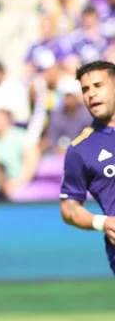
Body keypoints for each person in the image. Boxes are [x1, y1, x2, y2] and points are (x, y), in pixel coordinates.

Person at [60, 60, 115, 275]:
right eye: (85, 89)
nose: (91, 94)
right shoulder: (80, 149)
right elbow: (69, 208)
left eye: (98, 86)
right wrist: (102, 222)